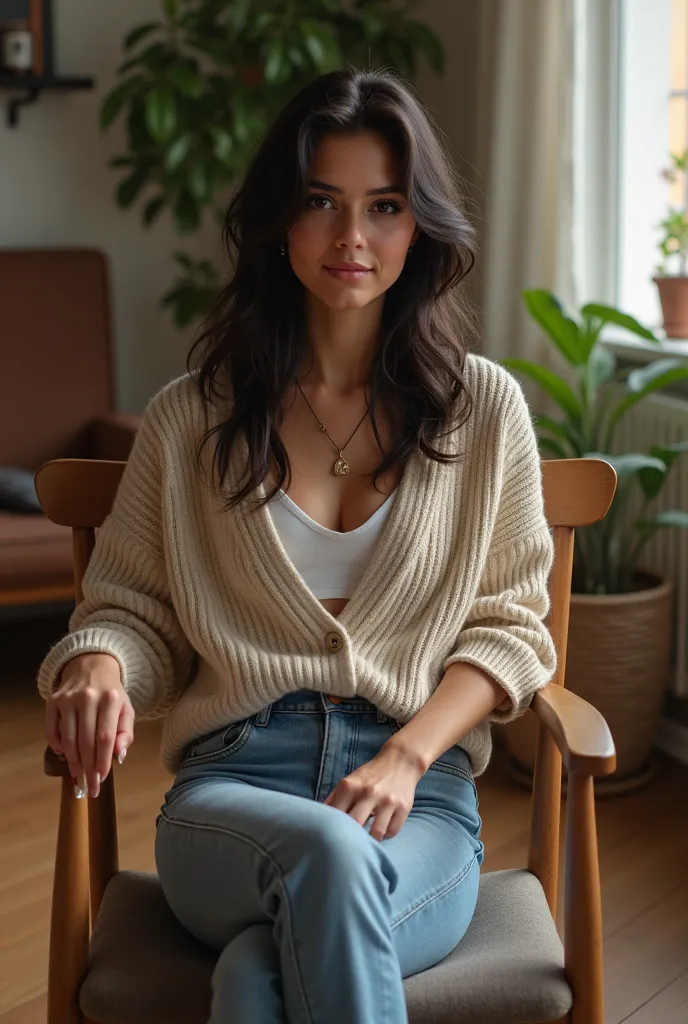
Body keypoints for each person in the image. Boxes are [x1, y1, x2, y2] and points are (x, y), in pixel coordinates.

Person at [37, 68, 557, 1024]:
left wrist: (408, 752)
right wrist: (100, 662)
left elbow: (513, 630)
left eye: (385, 206)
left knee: (256, 978)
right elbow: (129, 607)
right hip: (234, 794)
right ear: (281, 219)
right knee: (323, 858)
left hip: (421, 807)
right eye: (322, 201)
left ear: (420, 226)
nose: (352, 238)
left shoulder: (484, 412)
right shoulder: (190, 419)